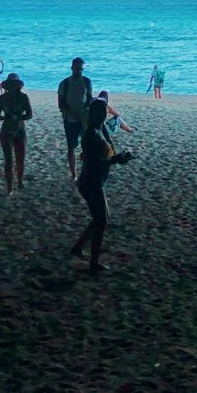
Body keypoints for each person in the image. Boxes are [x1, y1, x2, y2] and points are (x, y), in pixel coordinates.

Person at [70, 97, 133, 275]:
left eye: (104, 111)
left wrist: (117, 157)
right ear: (94, 113)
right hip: (91, 182)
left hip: (96, 180)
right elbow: (97, 161)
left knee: (100, 218)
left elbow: (108, 151)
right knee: (102, 220)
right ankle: (93, 263)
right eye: (101, 112)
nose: (104, 115)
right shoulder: (90, 134)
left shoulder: (100, 128)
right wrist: (117, 160)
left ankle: (78, 247)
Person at [0, 73, 32, 194]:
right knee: (9, 161)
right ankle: (10, 187)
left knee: (21, 159)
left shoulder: (24, 97)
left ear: (18, 85)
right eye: (11, 84)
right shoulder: (2, 98)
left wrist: (18, 117)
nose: (13, 86)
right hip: (6, 130)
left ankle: (20, 181)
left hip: (20, 130)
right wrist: (7, 117)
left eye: (14, 84)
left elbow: (30, 114)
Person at [58, 57, 93, 178]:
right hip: (70, 120)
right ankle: (73, 173)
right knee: (71, 147)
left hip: (84, 120)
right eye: (77, 69)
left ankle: (86, 170)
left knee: (87, 146)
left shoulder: (87, 82)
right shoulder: (65, 83)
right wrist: (73, 114)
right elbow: (61, 104)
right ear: (72, 68)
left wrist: (85, 113)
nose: (79, 71)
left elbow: (89, 99)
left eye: (81, 69)